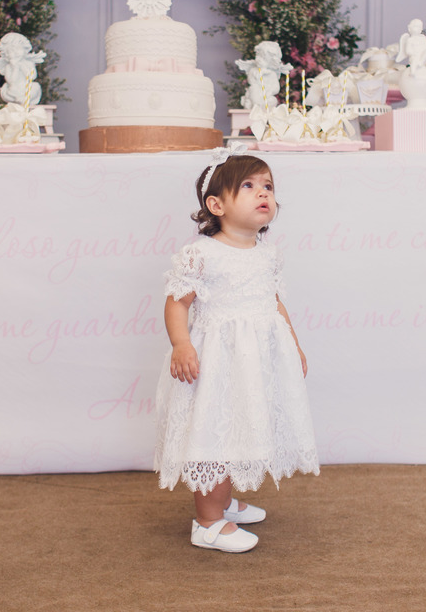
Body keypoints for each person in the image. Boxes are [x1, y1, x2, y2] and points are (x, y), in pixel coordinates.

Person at [155, 144, 319, 553]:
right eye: (248, 186)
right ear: (216, 204)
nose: (263, 193)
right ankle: (208, 522)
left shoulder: (268, 254)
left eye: (268, 185)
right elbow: (177, 301)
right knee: (215, 430)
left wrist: (293, 347)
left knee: (242, 426)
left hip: (257, 363)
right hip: (217, 364)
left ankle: (223, 503)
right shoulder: (202, 254)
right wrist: (181, 344)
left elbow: (274, 302)